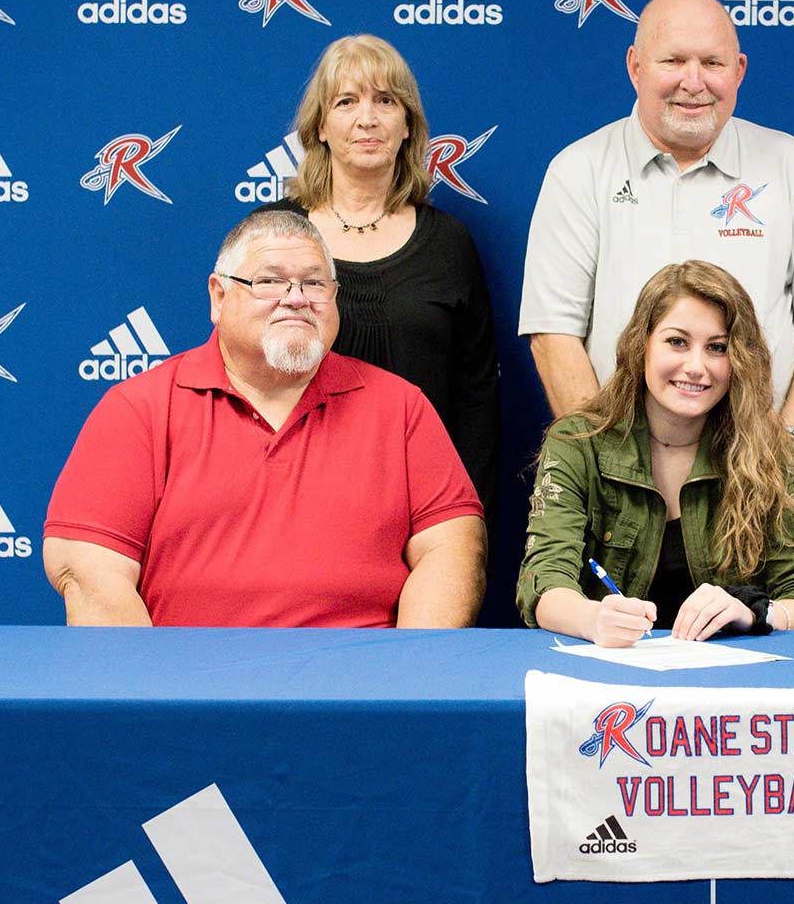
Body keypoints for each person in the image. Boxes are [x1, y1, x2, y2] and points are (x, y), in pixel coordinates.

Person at [44, 212, 487, 628]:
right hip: (187, 687)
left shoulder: (401, 407)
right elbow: (89, 568)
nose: (296, 299)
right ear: (219, 296)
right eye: (270, 281)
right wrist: (155, 698)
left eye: (315, 283)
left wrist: (407, 681)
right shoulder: (139, 408)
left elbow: (452, 548)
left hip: (363, 686)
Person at [519, 0, 794, 462]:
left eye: (713, 63)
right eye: (673, 61)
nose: (694, 81)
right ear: (635, 67)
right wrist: (603, 465)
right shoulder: (579, 170)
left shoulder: (792, 166)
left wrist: (787, 444)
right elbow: (553, 333)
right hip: (620, 474)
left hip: (753, 472)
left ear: (739, 71)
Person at [517, 260, 794, 647]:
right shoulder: (578, 442)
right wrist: (591, 618)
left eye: (717, 348)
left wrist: (756, 612)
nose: (696, 367)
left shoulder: (771, 449)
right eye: (677, 342)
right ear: (642, 344)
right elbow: (544, 581)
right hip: (609, 679)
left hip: (732, 685)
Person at [255, 34, 501, 518]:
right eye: (346, 101)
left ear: (407, 124)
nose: (367, 118)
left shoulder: (449, 245)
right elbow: (238, 372)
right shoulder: (274, 237)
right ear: (320, 126)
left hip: (420, 506)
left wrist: (467, 521)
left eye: (385, 101)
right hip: (293, 506)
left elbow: (477, 399)